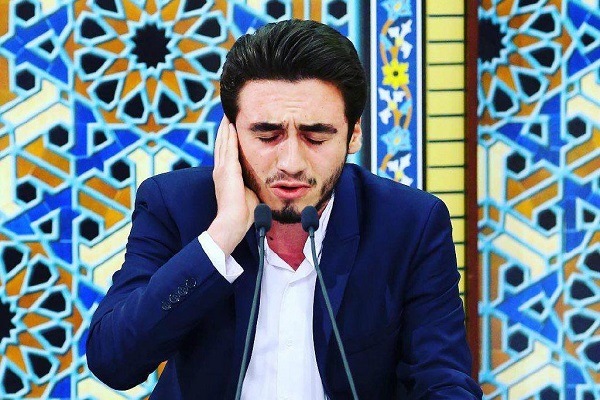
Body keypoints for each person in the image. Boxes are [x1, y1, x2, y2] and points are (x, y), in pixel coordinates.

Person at [86, 19, 483, 399]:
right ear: (230, 133)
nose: (291, 162)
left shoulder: (411, 223)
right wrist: (221, 236)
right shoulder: (175, 204)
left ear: (354, 134)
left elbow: (442, 379)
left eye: (315, 137)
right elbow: (113, 362)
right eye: (267, 135)